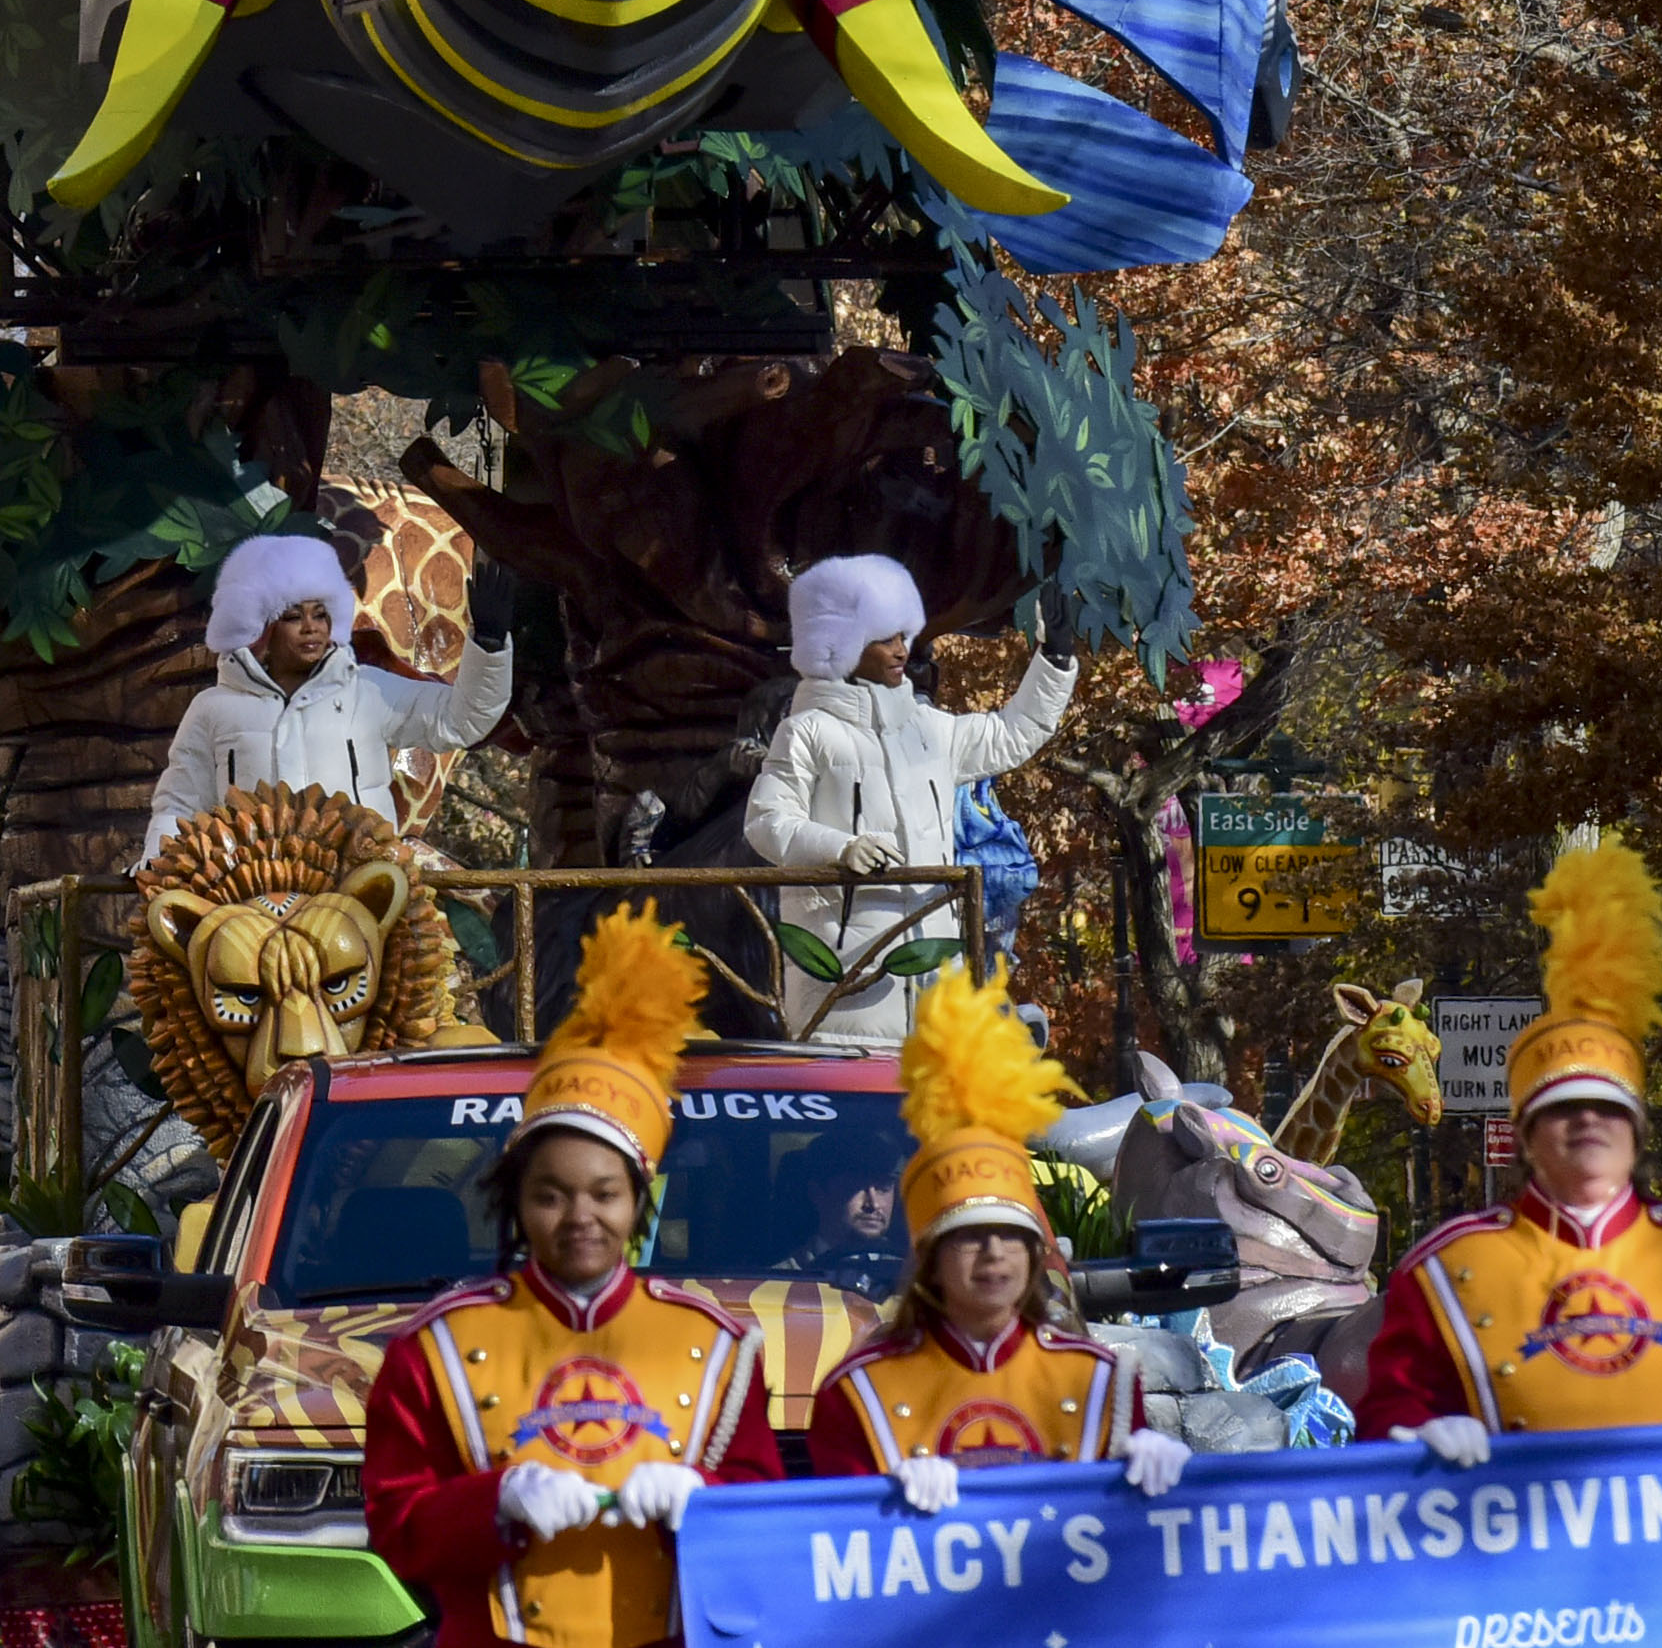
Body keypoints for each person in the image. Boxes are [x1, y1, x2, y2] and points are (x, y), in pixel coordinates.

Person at [361, 910, 787, 1648]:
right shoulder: (432, 1347)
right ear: (515, 1200)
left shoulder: (715, 1340)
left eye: (604, 1193)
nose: (579, 1216)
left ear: (639, 1200)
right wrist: (496, 1500)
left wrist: (703, 1500)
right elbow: (396, 1526)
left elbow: (770, 1527)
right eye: (551, 1194)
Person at [1355, 845, 1662, 1451]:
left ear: (1637, 1132)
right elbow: (1385, 1418)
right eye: (1561, 1108)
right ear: (1526, 1136)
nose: (1587, 1120)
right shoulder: (1446, 1266)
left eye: (1610, 1108)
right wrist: (1413, 1436)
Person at [808, 969, 1193, 1505]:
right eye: (968, 1236)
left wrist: (1169, 1495)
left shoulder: (1100, 1380)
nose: (993, 1254)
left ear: (1037, 1255)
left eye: (1011, 1236)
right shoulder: (860, 1390)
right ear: (930, 1258)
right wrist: (873, 1503)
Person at [738, 559, 1076, 1047]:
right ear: (840, 646)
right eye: (885, 638)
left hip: (939, 1009)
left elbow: (1011, 734)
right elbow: (767, 822)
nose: (902, 650)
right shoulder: (806, 732)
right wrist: (840, 848)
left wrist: (1056, 660)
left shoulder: (929, 729)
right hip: (844, 1008)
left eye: (904, 635)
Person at [139, 535, 515, 855]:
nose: (310, 628)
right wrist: (156, 869)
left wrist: (489, 644)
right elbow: (179, 805)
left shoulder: (368, 691)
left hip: (358, 900)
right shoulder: (214, 709)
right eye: (293, 616)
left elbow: (459, 721)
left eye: (320, 615)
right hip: (250, 908)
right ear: (259, 627)